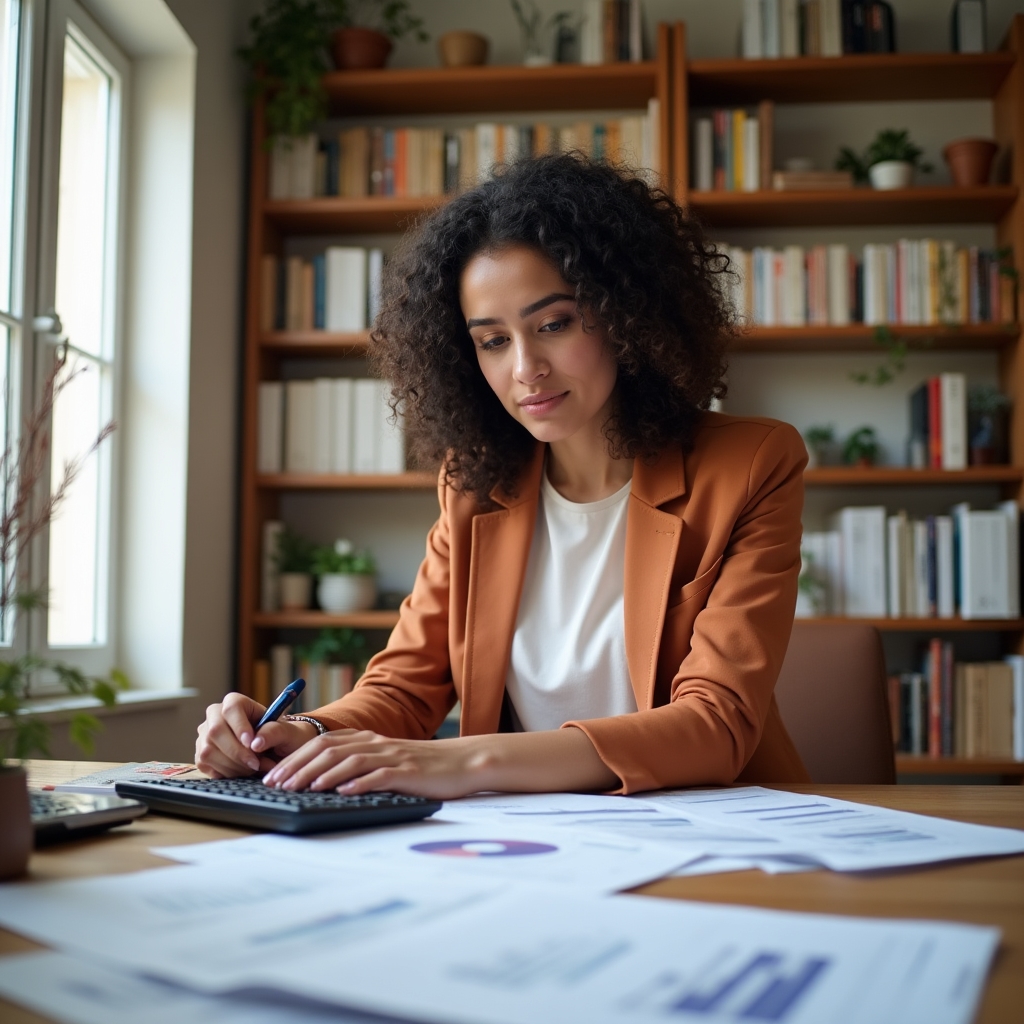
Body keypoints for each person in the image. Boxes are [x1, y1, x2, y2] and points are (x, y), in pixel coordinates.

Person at [196, 155, 809, 797]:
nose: (525, 368)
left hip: (712, 832)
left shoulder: (751, 465)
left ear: (628, 315)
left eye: (553, 324)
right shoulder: (472, 487)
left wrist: (464, 762)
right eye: (492, 340)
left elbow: (715, 725)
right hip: (526, 838)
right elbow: (403, 690)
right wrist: (301, 736)